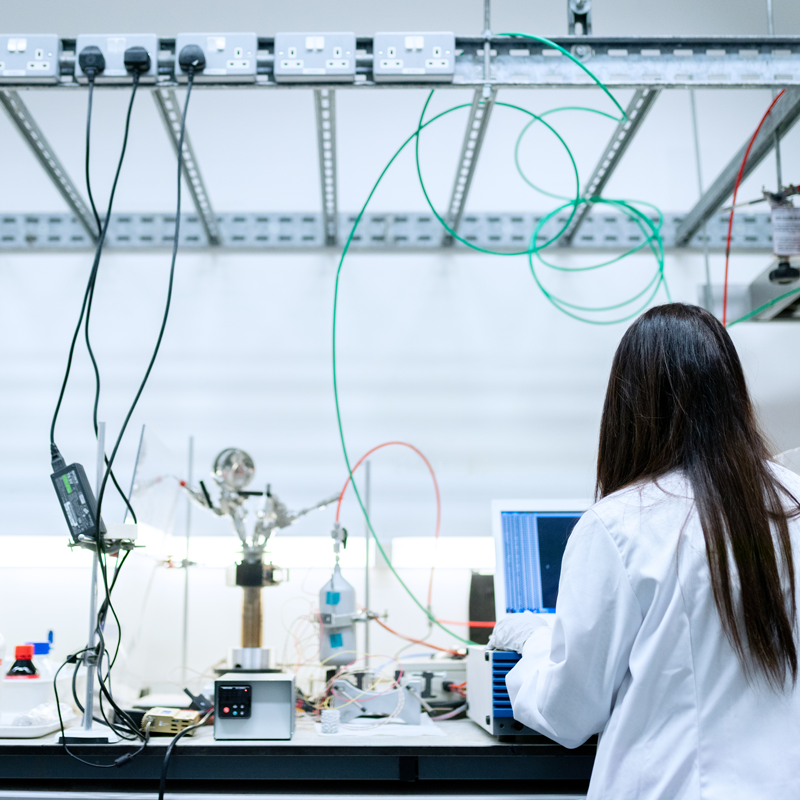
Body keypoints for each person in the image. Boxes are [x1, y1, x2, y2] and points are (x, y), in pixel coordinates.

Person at [488, 303, 800, 799]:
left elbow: (570, 712)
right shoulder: (793, 505)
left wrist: (532, 644)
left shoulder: (621, 524)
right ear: (733, 392)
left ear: (629, 405)